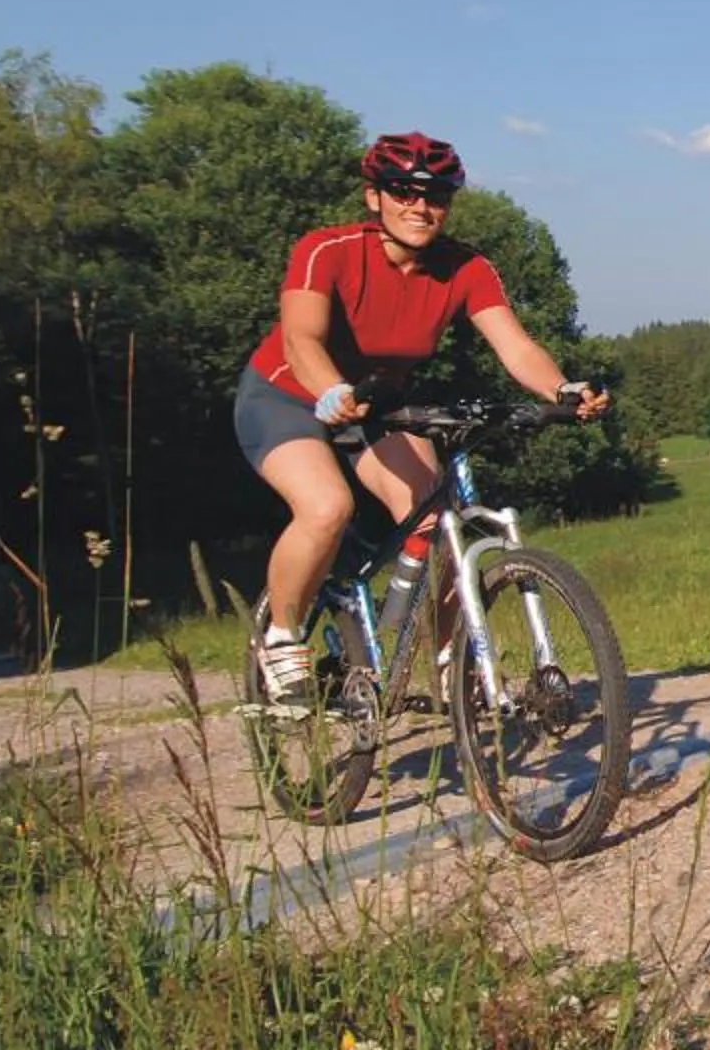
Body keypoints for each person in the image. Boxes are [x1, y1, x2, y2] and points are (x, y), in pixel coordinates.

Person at [237, 132, 608, 703]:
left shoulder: (465, 268)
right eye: (403, 192)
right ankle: (282, 637)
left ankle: (451, 659)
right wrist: (331, 389)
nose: (420, 206)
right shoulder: (326, 250)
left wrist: (562, 387)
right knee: (326, 506)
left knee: (439, 519)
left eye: (435, 195)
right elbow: (301, 339)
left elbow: (514, 347)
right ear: (374, 197)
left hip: (380, 407)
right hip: (287, 396)